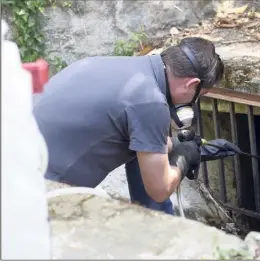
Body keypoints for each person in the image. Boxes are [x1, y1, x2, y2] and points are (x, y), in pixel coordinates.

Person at [33, 37, 224, 215]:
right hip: (41, 195)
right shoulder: (151, 103)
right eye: (201, 95)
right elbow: (160, 189)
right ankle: (157, 236)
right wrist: (183, 159)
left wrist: (175, 145)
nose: (196, 100)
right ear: (192, 84)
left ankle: (153, 227)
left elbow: (137, 140)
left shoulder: (118, 67)